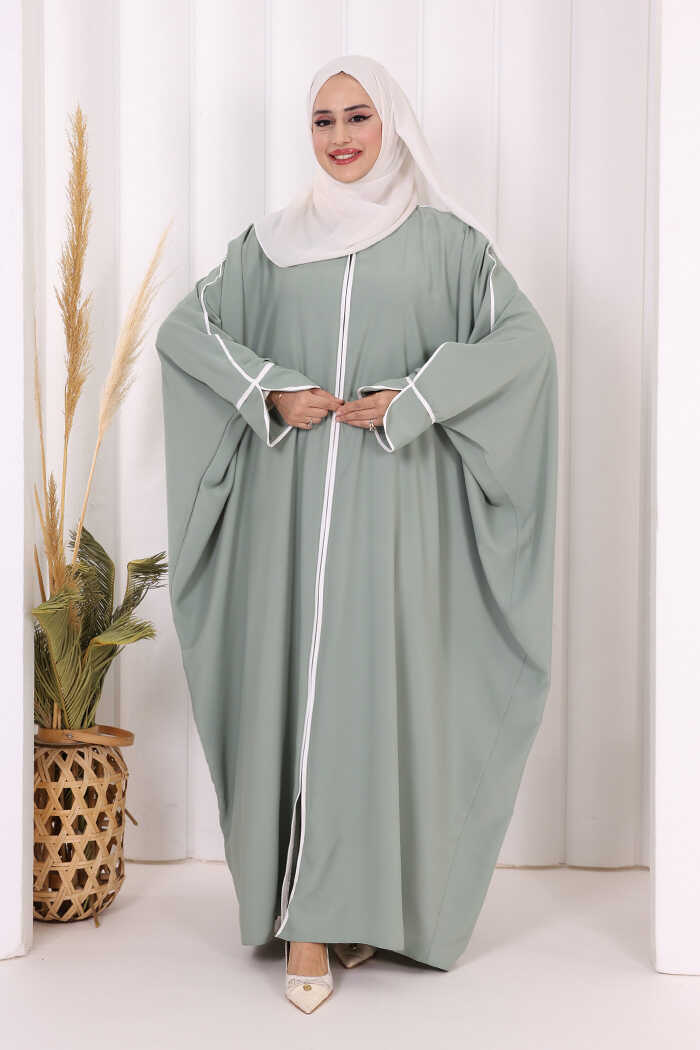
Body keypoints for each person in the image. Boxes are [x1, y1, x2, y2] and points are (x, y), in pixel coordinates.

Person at [155, 53, 558, 1015]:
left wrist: (417, 397)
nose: (340, 138)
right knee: (304, 695)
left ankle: (359, 904)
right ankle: (306, 921)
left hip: (396, 522)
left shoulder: (450, 247)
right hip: (290, 523)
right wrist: (269, 389)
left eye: (358, 116)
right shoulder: (269, 246)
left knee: (369, 702)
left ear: (393, 123)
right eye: (324, 121)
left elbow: (523, 346)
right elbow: (186, 331)